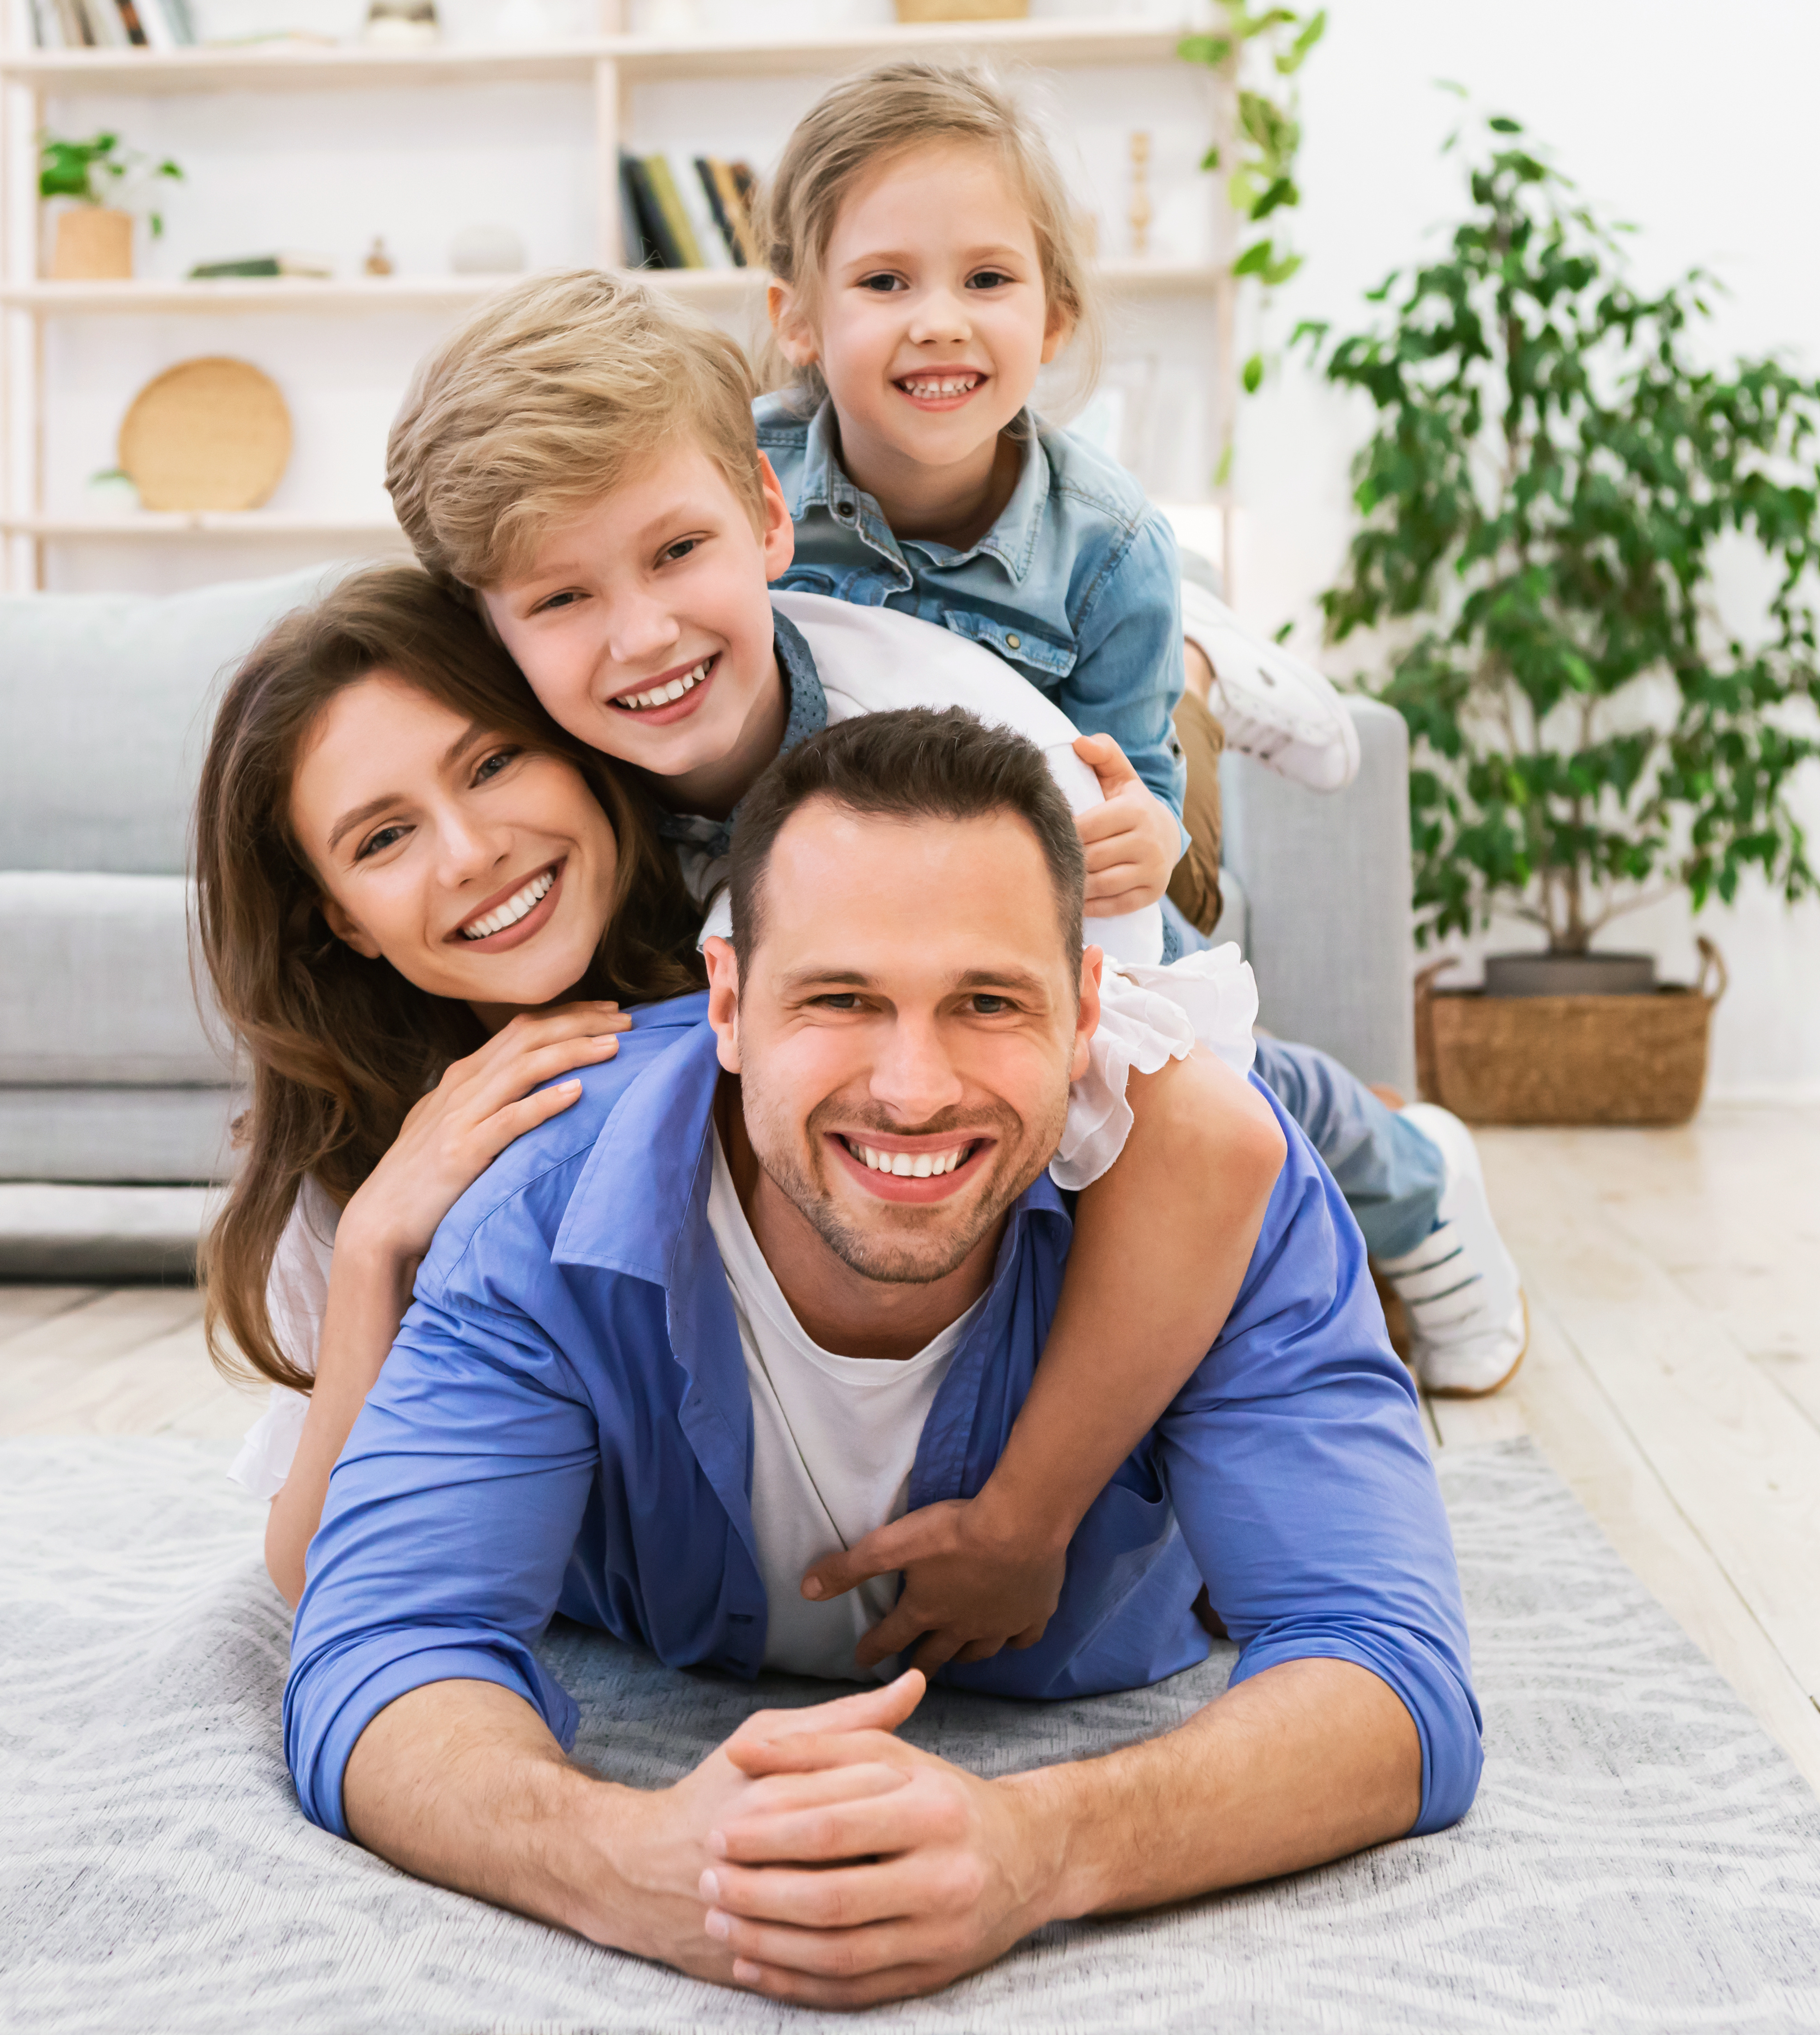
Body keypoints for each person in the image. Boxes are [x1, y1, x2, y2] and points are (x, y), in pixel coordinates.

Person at [285, 708, 1478, 2008]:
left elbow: (1387, 1673)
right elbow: (382, 1648)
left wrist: (1042, 1844)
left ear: (1086, 1010)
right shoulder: (540, 1204)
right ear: (729, 1002)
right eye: (841, 998)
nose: (913, 1087)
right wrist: (628, 1859)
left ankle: (1428, 1163)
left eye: (986, 1001)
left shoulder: (1236, 1207)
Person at [197, 565, 1266, 1680]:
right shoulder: (355, 1154)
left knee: (1276, 1099)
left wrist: (1025, 1518)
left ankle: (1209, 670)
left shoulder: (778, 938)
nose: (472, 853)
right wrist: (374, 1245)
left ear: (578, 751)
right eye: (382, 839)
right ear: (341, 919)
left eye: (495, 764)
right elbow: (325, 1574)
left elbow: (1207, 1132)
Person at [743, 59, 1528, 1397]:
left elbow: (1142, 793)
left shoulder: (1107, 543)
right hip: (841, 887)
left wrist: (1145, 831)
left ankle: (1414, 1177)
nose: (939, 322)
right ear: (800, 317)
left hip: (1039, 872)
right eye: (885, 284)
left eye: (986, 280)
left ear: (1052, 317)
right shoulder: (747, 481)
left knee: (1182, 1057)